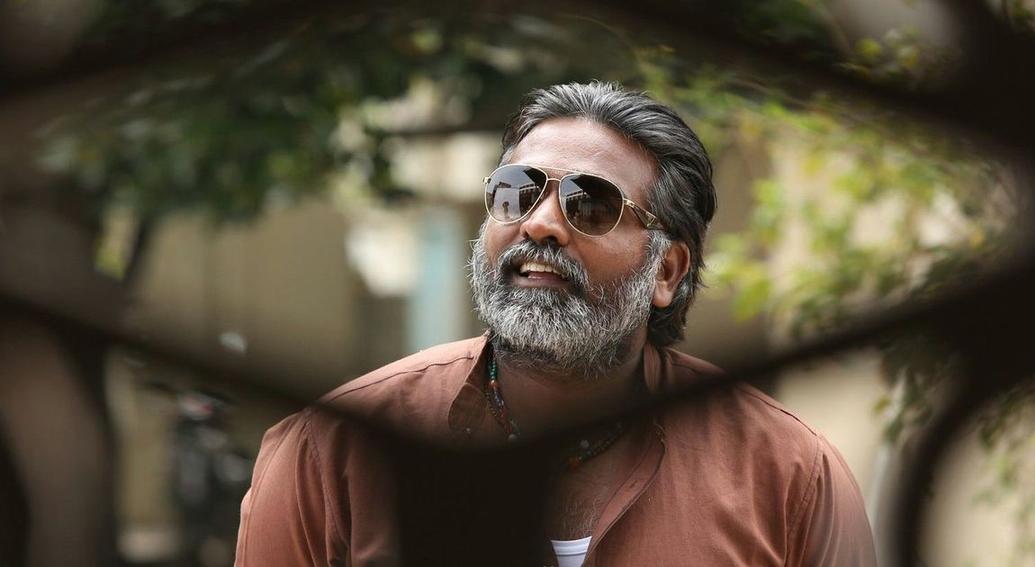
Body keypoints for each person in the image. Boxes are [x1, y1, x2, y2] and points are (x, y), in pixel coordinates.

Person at [234, 82, 876, 566]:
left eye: (590, 205)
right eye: (517, 191)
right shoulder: (331, 453)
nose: (539, 224)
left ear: (667, 271)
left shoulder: (789, 475)